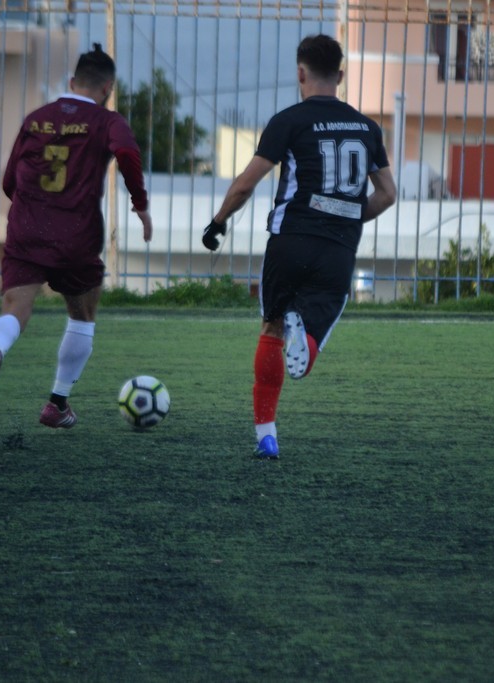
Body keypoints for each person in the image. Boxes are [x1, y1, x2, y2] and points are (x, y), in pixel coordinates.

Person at [202, 34, 396, 459]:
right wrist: (347, 215)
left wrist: (218, 222)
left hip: (289, 240)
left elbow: (246, 184)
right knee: (309, 336)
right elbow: (387, 194)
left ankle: (266, 436)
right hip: (338, 248)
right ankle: (305, 343)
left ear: (300, 73)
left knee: (271, 328)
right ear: (340, 76)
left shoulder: (288, 121)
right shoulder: (368, 128)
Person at [0, 43, 152, 428]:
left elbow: (9, 181)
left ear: (71, 81)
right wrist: (140, 204)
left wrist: (33, 212)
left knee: (14, 308)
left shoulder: (36, 119)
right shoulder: (107, 121)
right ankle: (57, 403)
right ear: (107, 89)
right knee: (82, 314)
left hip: (27, 229)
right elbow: (127, 153)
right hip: (75, 235)